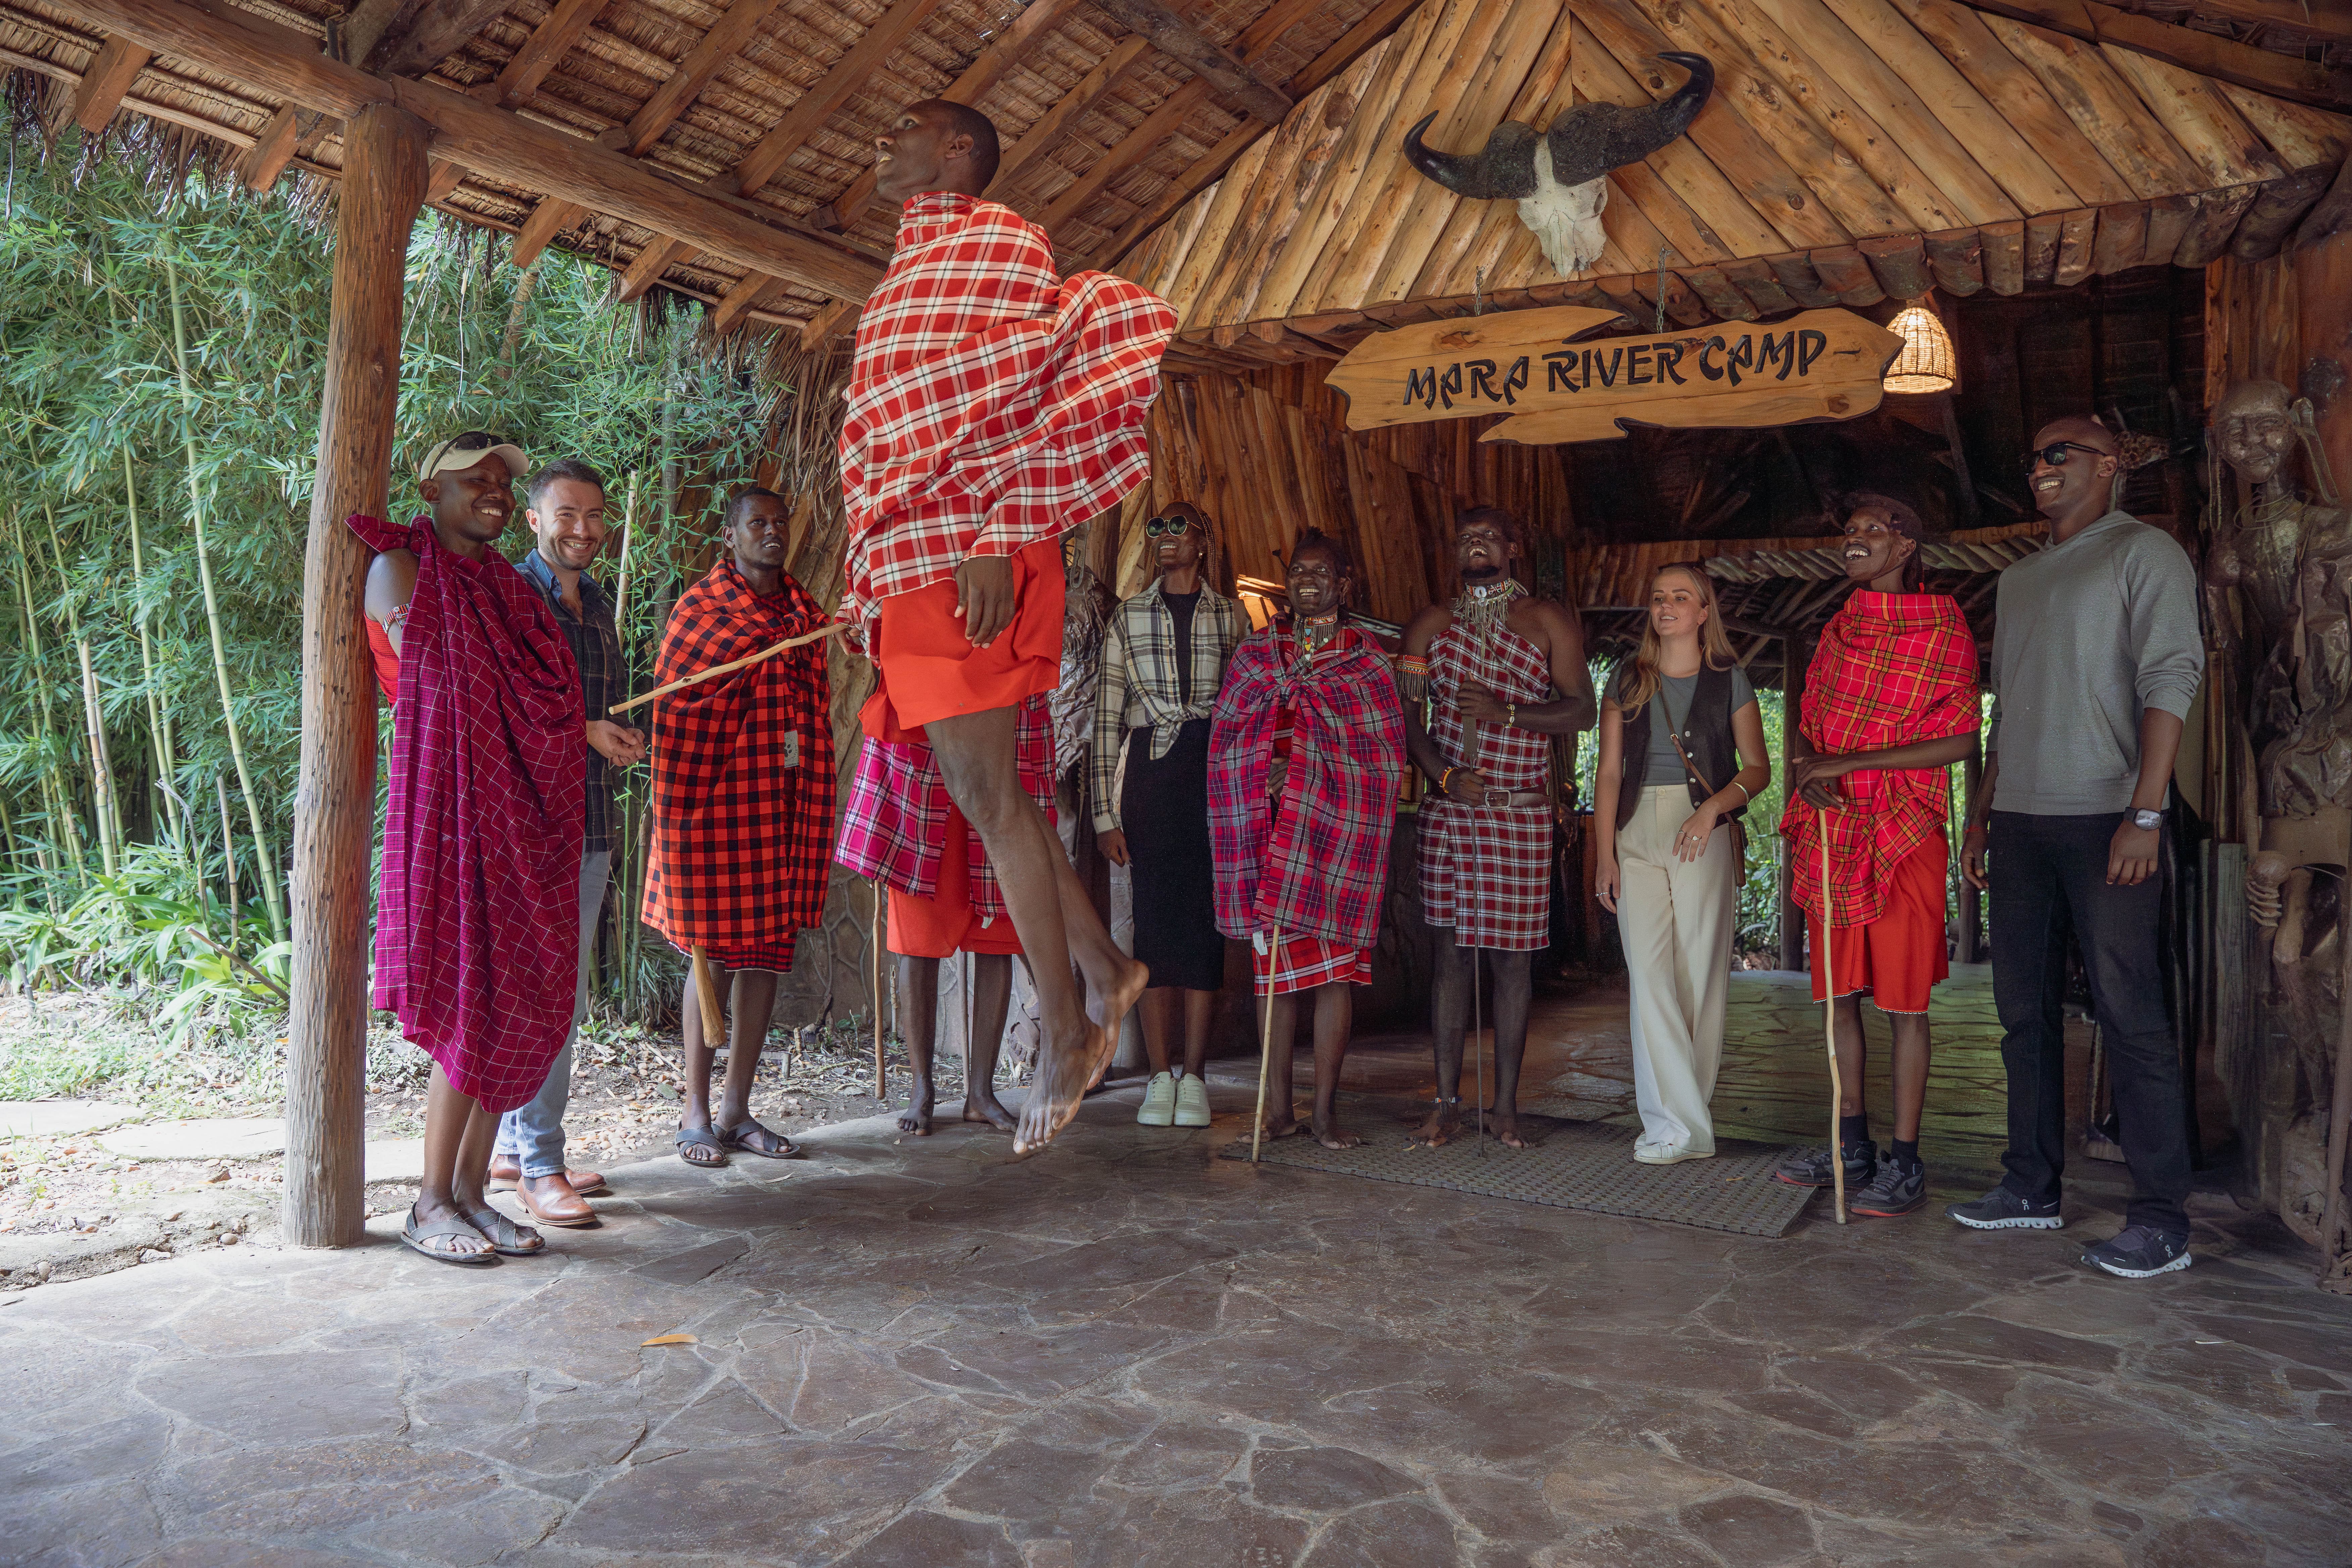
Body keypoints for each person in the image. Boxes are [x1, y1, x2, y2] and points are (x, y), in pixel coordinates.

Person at [840, 99, 1176, 1155]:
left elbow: (1024, 396)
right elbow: (895, 431)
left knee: (988, 798)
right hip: (917, 561)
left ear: (957, 150)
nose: (879, 139)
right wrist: (876, 581)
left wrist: (992, 530)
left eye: (899, 126)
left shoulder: (1001, 243)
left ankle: (1072, 1028)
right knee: (991, 794)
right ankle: (1106, 972)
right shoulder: (906, 271)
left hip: (971, 552)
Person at [1955, 416, 2204, 1279]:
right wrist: (1982, 813)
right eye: (2033, 456)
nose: (2041, 467)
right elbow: (2007, 705)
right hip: (2020, 819)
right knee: (2021, 1012)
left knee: (2130, 1010)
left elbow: (2171, 676)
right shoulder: (2019, 578)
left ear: (2109, 465)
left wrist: (2147, 812)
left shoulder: (2145, 553)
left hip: (2108, 816)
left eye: (2058, 453)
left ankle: (2162, 1218)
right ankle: (2031, 1186)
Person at [356, 431, 584, 1265]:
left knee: (512, 998)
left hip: (517, 817)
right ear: (431, 490)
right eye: (475, 479)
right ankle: (429, 1202)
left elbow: (544, 694)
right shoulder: (401, 571)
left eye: (502, 481)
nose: (493, 490)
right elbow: (444, 687)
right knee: (467, 999)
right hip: (448, 810)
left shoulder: (506, 588)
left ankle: (472, 1194)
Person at [1773, 496, 1979, 1217]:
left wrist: (1852, 763)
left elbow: (1962, 739)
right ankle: (1851, 1146)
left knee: (1904, 1004)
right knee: (1839, 996)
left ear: (1906, 545)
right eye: (1849, 531)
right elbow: (1808, 723)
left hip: (1905, 831)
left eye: (1871, 530)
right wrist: (1811, 771)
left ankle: (1907, 1161)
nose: (1854, 539)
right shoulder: (1838, 628)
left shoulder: (1942, 626)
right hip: (1834, 827)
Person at [644, 488, 836, 1168]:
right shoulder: (702, 612)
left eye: (780, 522)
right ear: (730, 536)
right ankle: (695, 1114)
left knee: (766, 955)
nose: (772, 532)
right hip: (715, 808)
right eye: (758, 523)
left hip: (780, 804)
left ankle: (736, 1109)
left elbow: (813, 710)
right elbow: (676, 717)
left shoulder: (803, 613)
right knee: (713, 954)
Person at [480, 458, 644, 1227]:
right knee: (545, 997)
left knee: (560, 994)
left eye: (595, 515)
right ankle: (541, 1165)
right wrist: (584, 731)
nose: (584, 529)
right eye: (567, 514)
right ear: (534, 520)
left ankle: (515, 1149)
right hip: (530, 828)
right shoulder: (510, 595)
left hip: (592, 822)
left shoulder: (599, 603)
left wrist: (620, 735)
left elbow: (602, 707)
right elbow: (497, 704)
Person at [1400, 506, 1594, 1149]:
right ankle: (1445, 1104)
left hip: (1520, 812)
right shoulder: (1430, 625)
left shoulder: (1546, 620)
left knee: (1513, 963)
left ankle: (1506, 1108)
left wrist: (1507, 712)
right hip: (1452, 813)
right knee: (1451, 959)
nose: (1474, 546)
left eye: (1486, 537)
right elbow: (1409, 723)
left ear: (1514, 547)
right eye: (1464, 538)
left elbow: (1582, 711)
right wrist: (1445, 778)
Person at [1209, 531, 1404, 1151]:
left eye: (1321, 572)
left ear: (1343, 584)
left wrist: (1303, 772)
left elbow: (1381, 758)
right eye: (1298, 571)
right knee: (1273, 976)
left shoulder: (1366, 661)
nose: (1307, 581)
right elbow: (1229, 739)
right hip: (1271, 835)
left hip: (1334, 837)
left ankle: (1324, 1114)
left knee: (1333, 974)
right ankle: (1277, 1112)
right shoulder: (1257, 654)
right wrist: (1262, 767)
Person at [1592, 564, 1769, 1165]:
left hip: (1702, 832)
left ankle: (1684, 1126)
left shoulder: (1730, 680)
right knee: (1649, 977)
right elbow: (1609, 773)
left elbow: (1758, 769)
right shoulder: (1627, 678)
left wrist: (1713, 809)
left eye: (1680, 597)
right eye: (1658, 597)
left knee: (1700, 976)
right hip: (1634, 832)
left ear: (1703, 612)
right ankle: (1677, 1127)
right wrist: (1605, 855)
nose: (1666, 606)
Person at [1091, 501, 1244, 1129]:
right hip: (1151, 776)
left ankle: (1196, 1078)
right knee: (1153, 924)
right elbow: (1106, 718)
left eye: (1179, 527)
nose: (1165, 537)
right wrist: (1104, 815)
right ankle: (1160, 1077)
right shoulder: (1129, 617)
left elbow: (1248, 707)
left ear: (1204, 541)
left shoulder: (1231, 616)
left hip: (1213, 775)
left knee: (1206, 927)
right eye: (1156, 527)